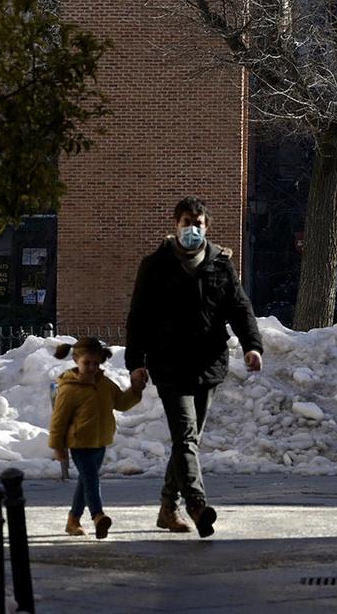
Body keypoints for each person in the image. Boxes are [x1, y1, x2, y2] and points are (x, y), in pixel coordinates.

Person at [125, 197, 263, 538]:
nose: (192, 228)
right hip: (168, 364)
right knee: (186, 436)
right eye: (186, 221)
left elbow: (240, 308)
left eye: (198, 222)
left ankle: (167, 507)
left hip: (208, 364)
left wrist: (252, 346)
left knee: (188, 440)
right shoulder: (155, 266)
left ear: (207, 227)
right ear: (175, 225)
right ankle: (197, 505)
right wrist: (136, 364)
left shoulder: (221, 265)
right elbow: (139, 318)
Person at [48, 336, 146, 539]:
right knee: (91, 479)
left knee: (85, 481)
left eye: (95, 362)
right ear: (76, 360)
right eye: (87, 363)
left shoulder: (105, 384)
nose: (92, 367)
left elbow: (121, 403)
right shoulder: (69, 389)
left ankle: (73, 520)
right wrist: (58, 446)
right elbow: (58, 420)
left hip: (100, 441)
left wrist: (135, 390)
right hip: (79, 443)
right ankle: (98, 515)